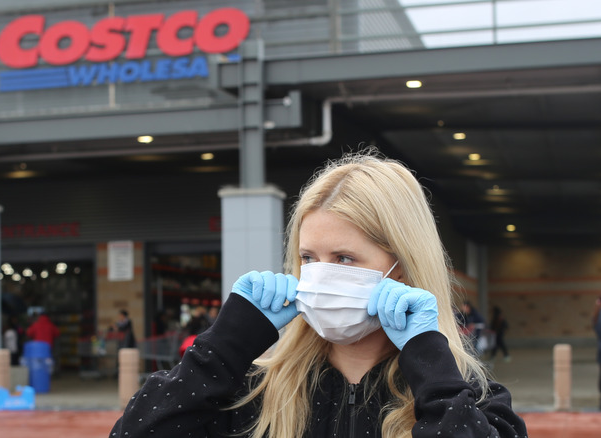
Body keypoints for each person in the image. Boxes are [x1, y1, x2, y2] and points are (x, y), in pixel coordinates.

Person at [110, 150, 527, 438]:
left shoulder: (467, 394)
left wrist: (430, 366)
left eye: (344, 259)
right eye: (309, 258)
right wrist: (223, 349)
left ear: (402, 267)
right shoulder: (252, 387)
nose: (322, 276)